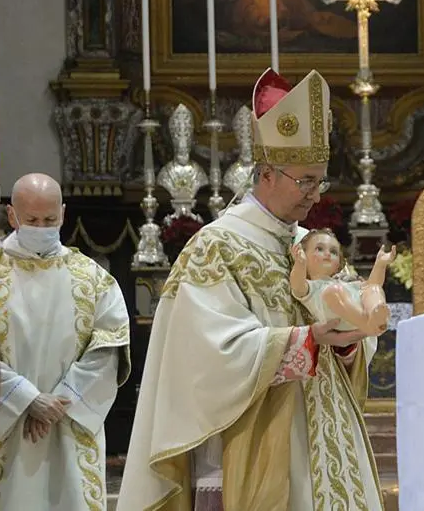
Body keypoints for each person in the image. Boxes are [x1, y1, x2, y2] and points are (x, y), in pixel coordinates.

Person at [118, 69, 384, 511]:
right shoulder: (217, 246)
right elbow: (204, 356)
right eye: (305, 181)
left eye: (320, 181)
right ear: (266, 174)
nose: (315, 196)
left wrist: (349, 343)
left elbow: (349, 321)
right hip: (258, 439)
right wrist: (306, 341)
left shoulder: (310, 244)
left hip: (329, 438)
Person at [0, 172, 131, 511]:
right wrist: (26, 398)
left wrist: (57, 403)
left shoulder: (92, 278)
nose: (42, 226)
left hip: (68, 424)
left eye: (50, 219)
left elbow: (109, 348)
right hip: (4, 432)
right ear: (11, 215)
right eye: (32, 220)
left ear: (63, 213)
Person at [290, 228, 394, 336]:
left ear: (339, 263)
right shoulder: (311, 287)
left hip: (357, 315)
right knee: (334, 291)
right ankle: (367, 324)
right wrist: (299, 263)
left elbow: (373, 283)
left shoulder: (345, 283)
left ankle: (376, 314)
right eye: (319, 249)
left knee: (373, 288)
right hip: (339, 322)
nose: (328, 254)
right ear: (304, 255)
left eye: (334, 252)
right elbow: (297, 284)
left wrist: (380, 264)